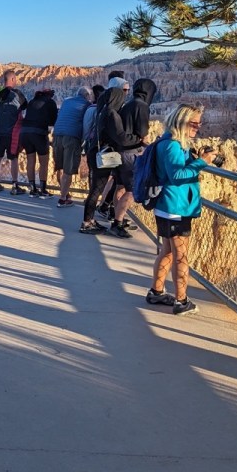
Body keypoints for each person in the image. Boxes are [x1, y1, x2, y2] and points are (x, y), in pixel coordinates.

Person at [147, 103, 216, 316]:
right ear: (181, 121)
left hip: (169, 206)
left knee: (167, 250)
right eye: (194, 123)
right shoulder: (173, 146)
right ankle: (181, 300)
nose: (197, 127)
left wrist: (195, 159)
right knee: (181, 255)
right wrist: (202, 163)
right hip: (175, 207)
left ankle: (156, 292)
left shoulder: (171, 143)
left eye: (199, 123)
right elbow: (176, 175)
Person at [80, 78, 140, 235]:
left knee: (96, 188)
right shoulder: (112, 114)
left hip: (95, 152)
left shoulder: (103, 111)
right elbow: (120, 136)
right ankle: (86, 223)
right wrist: (137, 140)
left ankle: (90, 220)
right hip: (102, 156)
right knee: (97, 189)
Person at [111, 78, 158, 235]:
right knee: (131, 190)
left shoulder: (128, 104)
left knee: (119, 186)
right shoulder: (142, 106)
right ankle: (117, 223)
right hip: (132, 153)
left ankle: (117, 217)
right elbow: (142, 133)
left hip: (119, 151)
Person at [53, 86, 92, 208]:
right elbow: (87, 123)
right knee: (68, 170)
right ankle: (63, 199)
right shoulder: (87, 105)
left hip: (57, 135)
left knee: (59, 167)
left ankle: (66, 194)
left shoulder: (66, 101)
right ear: (87, 96)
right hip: (72, 137)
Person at [0, 70, 27, 194]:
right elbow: (24, 106)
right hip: (13, 134)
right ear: (12, 79)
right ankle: (14, 185)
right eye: (15, 79)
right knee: (14, 159)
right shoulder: (17, 94)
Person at [19, 88, 58, 198]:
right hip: (39, 133)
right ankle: (43, 190)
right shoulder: (50, 102)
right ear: (49, 95)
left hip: (25, 133)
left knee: (31, 160)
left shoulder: (32, 101)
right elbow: (53, 121)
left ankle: (32, 189)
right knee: (43, 162)